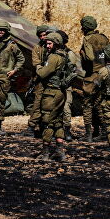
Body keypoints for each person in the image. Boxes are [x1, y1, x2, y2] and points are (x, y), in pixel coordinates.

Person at [33, 32, 74, 161]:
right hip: (61, 93)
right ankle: (59, 151)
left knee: (47, 122)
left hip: (51, 93)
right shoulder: (65, 55)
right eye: (47, 44)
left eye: (50, 43)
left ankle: (45, 152)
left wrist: (38, 66)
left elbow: (42, 74)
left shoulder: (53, 57)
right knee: (58, 122)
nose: (47, 46)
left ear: (56, 44)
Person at [0, 20, 24, 136]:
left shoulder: (12, 44)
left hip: (5, 77)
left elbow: (21, 58)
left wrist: (14, 70)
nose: (0, 32)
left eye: (2, 30)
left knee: (1, 101)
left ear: (7, 31)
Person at [78, 16, 109, 141]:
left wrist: (82, 53)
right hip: (103, 74)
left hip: (91, 76)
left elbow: (90, 57)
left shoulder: (87, 39)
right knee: (99, 104)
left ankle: (88, 134)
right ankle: (104, 132)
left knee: (87, 105)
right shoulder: (104, 38)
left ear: (84, 28)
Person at [26, 25, 52, 136]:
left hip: (52, 80)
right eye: (40, 36)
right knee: (37, 103)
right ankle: (31, 126)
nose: (42, 37)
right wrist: (42, 71)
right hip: (40, 79)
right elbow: (36, 63)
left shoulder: (53, 46)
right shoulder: (37, 48)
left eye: (44, 35)